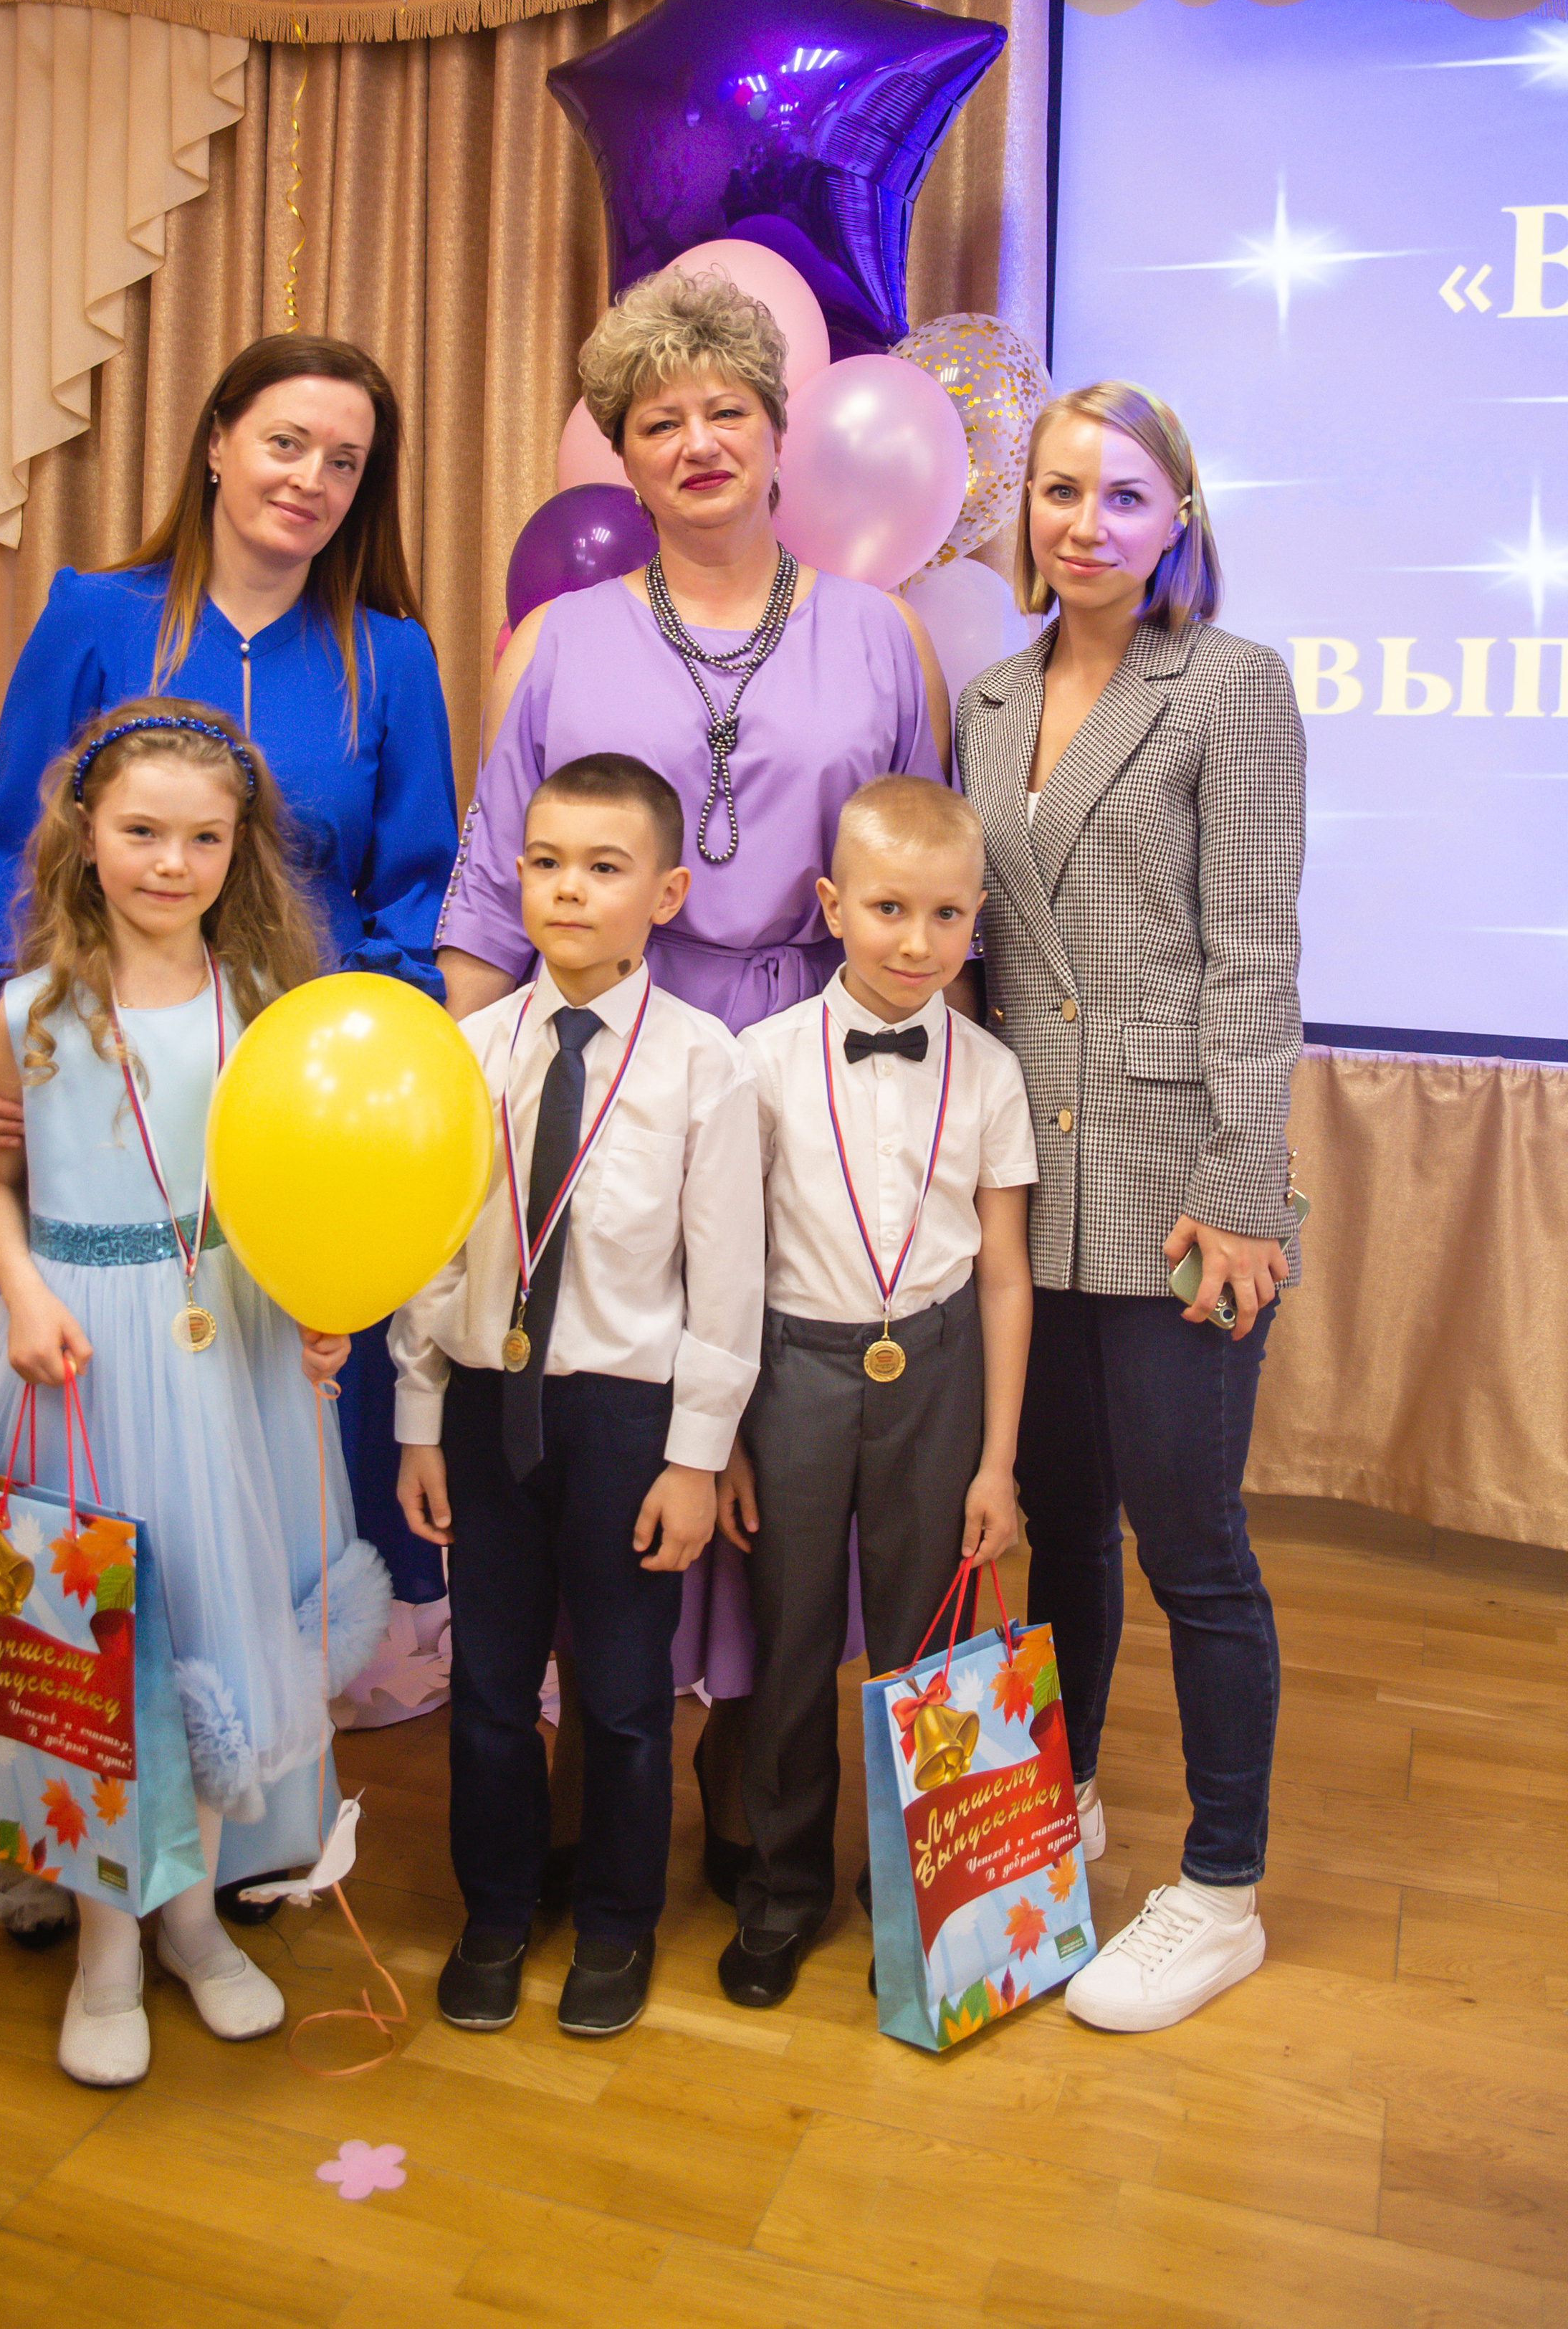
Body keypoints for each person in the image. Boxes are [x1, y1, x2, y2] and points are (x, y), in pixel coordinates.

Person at [435, 266, 949, 1888]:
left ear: (777, 432)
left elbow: (922, 878)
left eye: (725, 409)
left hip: (806, 1066)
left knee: (774, 1422)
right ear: (623, 457)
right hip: (606, 1073)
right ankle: (601, 1768)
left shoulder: (881, 638)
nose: (697, 440)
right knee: (612, 1407)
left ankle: (752, 1780)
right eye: (659, 420)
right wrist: (468, 1114)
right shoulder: (556, 641)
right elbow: (484, 890)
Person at [0, 331, 459, 1888]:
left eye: (345, 461)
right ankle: (77, 1835)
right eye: (286, 442)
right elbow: (3, 834)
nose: (310, 480)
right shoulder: (98, 615)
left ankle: (246, 1836)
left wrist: (367, 1088)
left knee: (263, 1491)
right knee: (98, 1502)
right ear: (217, 442)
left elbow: (410, 891)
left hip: (291, 1138)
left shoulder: (390, 656)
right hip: (110, 1101)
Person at [0, 701, 391, 2087]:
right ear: (87, 832)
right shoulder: (29, 1013)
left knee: (206, 1640)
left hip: (227, 1346)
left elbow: (289, 1182)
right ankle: (105, 1944)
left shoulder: (258, 1008)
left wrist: (318, 1312)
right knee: (89, 1649)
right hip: (74, 1352)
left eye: (204, 837)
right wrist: (20, 1290)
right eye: (142, 831)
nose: (171, 862)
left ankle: (192, 1921)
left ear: (239, 847)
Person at [955, 380, 1305, 2034]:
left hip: (1181, 1190)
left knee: (1192, 1548)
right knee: (1053, 1536)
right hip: (1029, 1194)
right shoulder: (982, 697)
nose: (1081, 522)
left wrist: (1243, 1193)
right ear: (1019, 511)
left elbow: (1252, 957)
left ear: (1176, 521)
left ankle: (1219, 1887)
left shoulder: (1227, 692)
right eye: (1054, 490)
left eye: (1120, 497)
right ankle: (1067, 1802)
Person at [390, 753, 763, 2037]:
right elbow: (428, 1252)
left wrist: (696, 1456)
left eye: (604, 868)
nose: (568, 889)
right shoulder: (470, 1051)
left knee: (620, 1694)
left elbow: (727, 1291)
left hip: (625, 1420)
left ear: (666, 891)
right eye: (545, 861)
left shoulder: (704, 1066)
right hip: (491, 1409)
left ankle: (616, 1920)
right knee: (489, 1687)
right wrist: (421, 1419)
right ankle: (497, 1909)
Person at [717, 776, 1037, 2008]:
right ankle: (783, 1888)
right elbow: (730, 1269)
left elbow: (1004, 1275)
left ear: (977, 919)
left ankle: (927, 1897)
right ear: (832, 906)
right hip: (794, 1369)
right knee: (792, 1641)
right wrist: (729, 1434)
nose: (918, 942)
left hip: (941, 1372)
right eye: (891, 908)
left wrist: (997, 1459)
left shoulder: (994, 1072)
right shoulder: (760, 1062)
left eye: (948, 915)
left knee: (925, 1647)